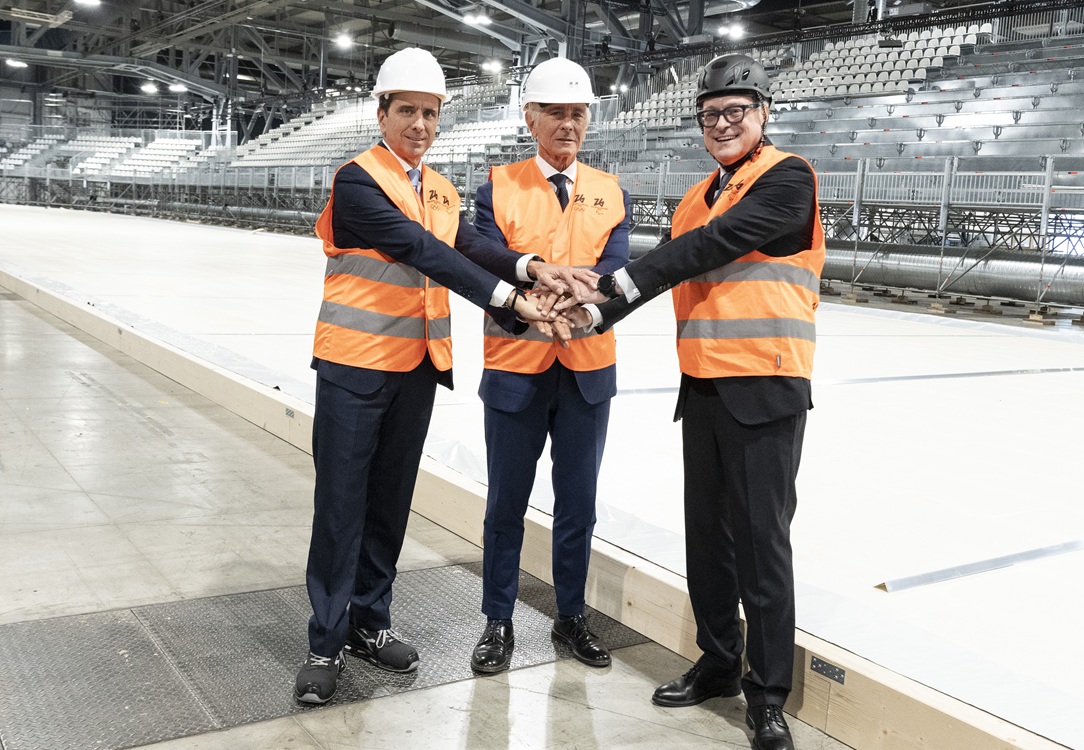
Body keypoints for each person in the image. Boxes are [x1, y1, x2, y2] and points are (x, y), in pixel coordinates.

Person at [296, 47, 590, 705]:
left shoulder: (439, 188)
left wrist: (531, 268)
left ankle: (369, 621)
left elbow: (470, 245)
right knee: (341, 507)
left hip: (416, 368)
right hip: (354, 368)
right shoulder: (357, 181)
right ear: (381, 113)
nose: (420, 124)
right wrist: (510, 301)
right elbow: (423, 250)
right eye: (408, 110)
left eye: (431, 113)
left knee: (389, 503)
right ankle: (324, 642)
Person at [569, 53, 825, 750]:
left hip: (766, 384)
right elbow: (665, 269)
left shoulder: (788, 178)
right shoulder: (694, 199)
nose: (722, 124)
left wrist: (615, 285)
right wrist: (593, 313)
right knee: (708, 540)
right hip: (705, 385)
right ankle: (718, 661)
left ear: (763, 112)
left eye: (735, 111)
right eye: (710, 114)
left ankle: (767, 695)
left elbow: (713, 246)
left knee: (762, 546)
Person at [467, 57, 631, 674]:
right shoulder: (498, 186)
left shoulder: (611, 190)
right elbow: (488, 262)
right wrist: (542, 287)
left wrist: (575, 302)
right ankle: (498, 619)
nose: (568, 124)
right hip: (516, 366)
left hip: (587, 370)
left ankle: (571, 616)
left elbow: (615, 272)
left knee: (578, 504)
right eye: (556, 113)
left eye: (578, 113)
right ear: (530, 118)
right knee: (505, 503)